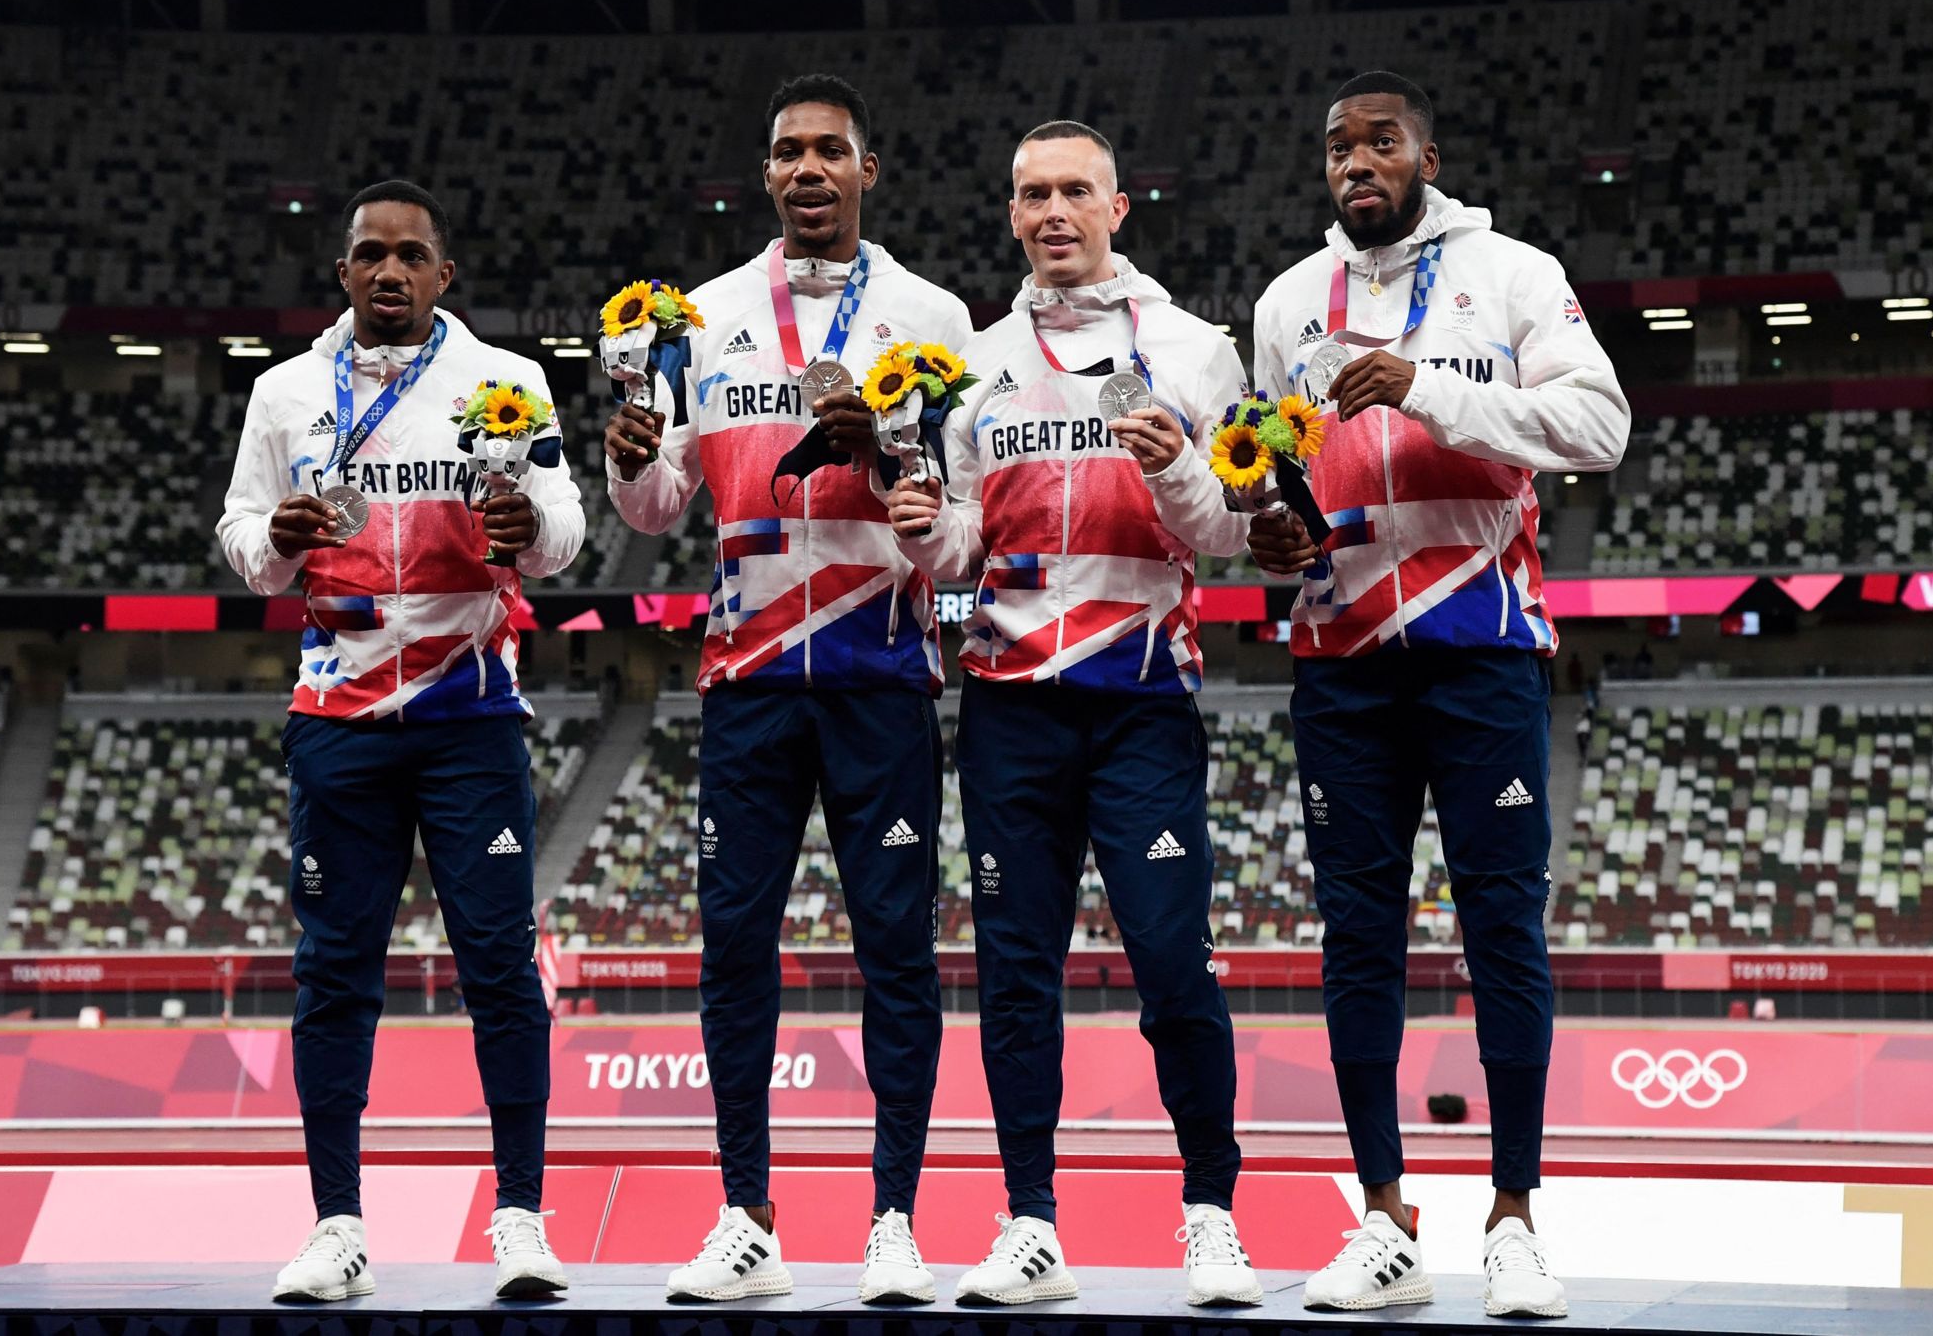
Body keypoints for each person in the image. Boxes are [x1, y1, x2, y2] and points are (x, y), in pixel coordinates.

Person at [1245, 72, 1629, 1319]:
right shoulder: (1286, 302)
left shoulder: (1511, 273)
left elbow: (1597, 425)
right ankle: (1382, 1218)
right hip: (1339, 663)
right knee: (1355, 939)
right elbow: (1272, 469)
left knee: (1499, 927)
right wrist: (1266, 533)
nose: (1356, 161)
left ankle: (1513, 1216)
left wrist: (1425, 390)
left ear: (1424, 151)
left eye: (1379, 141)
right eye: (1336, 146)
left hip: (1479, 651)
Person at [602, 74, 972, 1305]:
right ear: (765, 176)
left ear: (871, 170)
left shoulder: (932, 314)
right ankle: (744, 1212)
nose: (808, 171)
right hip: (748, 677)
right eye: (787, 154)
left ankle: (895, 1222)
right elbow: (659, 512)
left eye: (830, 152)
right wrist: (632, 458)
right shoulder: (701, 318)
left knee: (895, 955)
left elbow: (955, 518)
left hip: (882, 672)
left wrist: (904, 489)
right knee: (732, 951)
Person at [886, 120, 1261, 1309]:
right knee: (1015, 974)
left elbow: (1233, 540)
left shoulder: (1197, 352)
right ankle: (1029, 1221)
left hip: (1144, 701)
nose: (1053, 212)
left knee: (1170, 963)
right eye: (1032, 194)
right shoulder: (973, 364)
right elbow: (956, 555)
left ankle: (1210, 1217)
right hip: (1008, 711)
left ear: (1118, 207)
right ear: (1008, 214)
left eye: (1075, 192)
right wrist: (924, 538)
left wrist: (1174, 474)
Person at [217, 180, 584, 1302]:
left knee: (498, 969)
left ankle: (519, 1214)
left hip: (469, 719)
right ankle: (337, 1226)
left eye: (409, 256)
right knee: (334, 977)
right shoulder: (284, 393)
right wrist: (272, 541)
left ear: (442, 276)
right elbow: (239, 535)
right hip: (337, 724)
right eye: (368, 255)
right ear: (342, 273)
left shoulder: (506, 384)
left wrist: (532, 526)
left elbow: (568, 532)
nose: (388, 272)